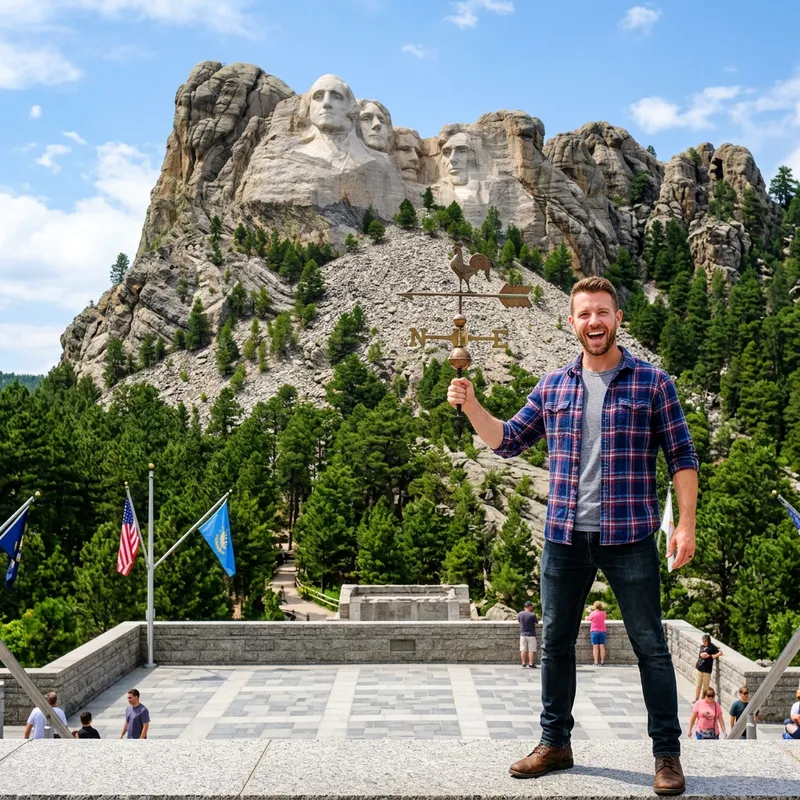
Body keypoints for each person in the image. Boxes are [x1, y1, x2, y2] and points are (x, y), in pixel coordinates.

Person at [447, 276, 699, 796]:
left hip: (629, 536)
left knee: (651, 647)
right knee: (556, 643)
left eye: (603, 313)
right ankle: (555, 743)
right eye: (585, 315)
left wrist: (688, 525)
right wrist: (471, 405)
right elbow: (508, 441)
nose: (594, 323)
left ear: (618, 319)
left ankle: (667, 757)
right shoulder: (553, 386)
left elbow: (682, 458)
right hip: (564, 538)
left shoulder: (653, 383)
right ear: (572, 323)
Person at [694, 634, 722, 701]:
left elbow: (719, 652)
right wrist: (703, 655)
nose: (704, 642)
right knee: (698, 685)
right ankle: (696, 698)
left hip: (707, 669)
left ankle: (703, 699)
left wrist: (712, 656)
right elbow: (700, 654)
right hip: (700, 668)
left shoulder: (712, 647)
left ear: (708, 641)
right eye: (703, 641)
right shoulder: (702, 647)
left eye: (705, 641)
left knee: (706, 686)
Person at [518, 600, 539, 668]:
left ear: (525, 607)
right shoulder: (532, 615)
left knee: (523, 649)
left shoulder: (520, 614)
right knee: (531, 650)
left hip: (523, 634)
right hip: (531, 635)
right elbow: (536, 622)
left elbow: (518, 621)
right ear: (529, 607)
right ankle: (531, 664)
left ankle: (523, 663)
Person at [587, 601, 607, 666]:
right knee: (602, 646)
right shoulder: (604, 613)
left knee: (595, 647)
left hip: (594, 631)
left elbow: (589, 619)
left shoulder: (593, 613)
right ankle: (602, 662)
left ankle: (596, 662)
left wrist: (586, 617)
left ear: (595, 606)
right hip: (602, 631)